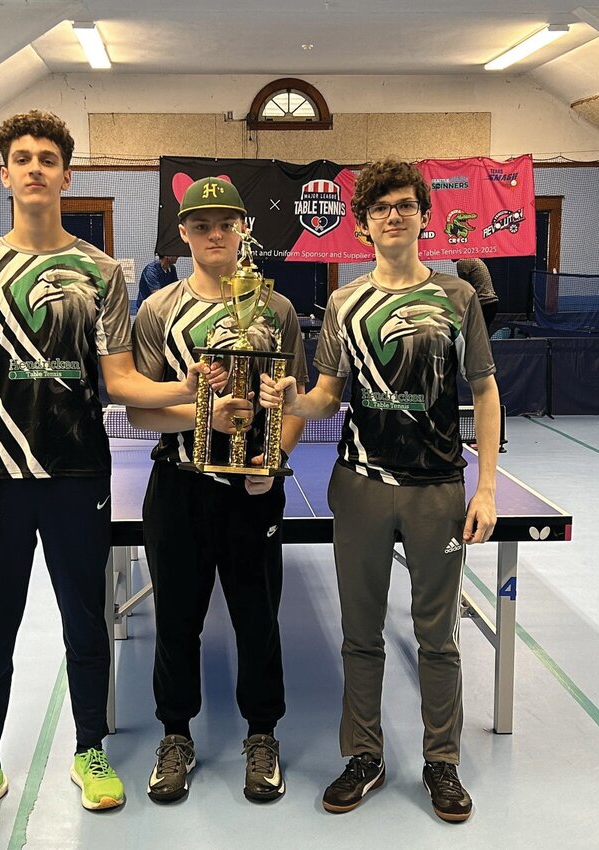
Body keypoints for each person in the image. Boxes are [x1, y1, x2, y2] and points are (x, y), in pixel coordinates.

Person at [0, 110, 219, 829]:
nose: (34, 168)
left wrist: (189, 392)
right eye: (21, 158)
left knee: (84, 626)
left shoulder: (101, 273)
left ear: (66, 176)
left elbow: (121, 382)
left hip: (77, 479)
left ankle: (89, 750)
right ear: (4, 174)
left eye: (47, 159)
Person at [260, 159, 501, 823]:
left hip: (437, 491)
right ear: (363, 225)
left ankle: (441, 762)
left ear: (423, 214)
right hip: (360, 487)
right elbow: (328, 397)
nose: (392, 216)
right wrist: (292, 398)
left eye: (403, 205)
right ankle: (362, 756)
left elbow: (483, 390)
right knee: (360, 635)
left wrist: (485, 489)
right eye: (379, 208)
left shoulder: (456, 298)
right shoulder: (343, 303)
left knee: (437, 637)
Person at [127, 177, 308, 804]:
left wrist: (274, 456)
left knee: (258, 619)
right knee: (176, 620)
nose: (213, 235)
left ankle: (262, 736)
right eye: (200, 225)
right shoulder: (157, 311)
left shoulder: (276, 310)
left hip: (253, 492)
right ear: (183, 234)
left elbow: (295, 405)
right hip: (178, 487)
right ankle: (176, 736)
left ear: (242, 229)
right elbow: (141, 412)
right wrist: (202, 412)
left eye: (224, 224)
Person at [453, 257, 499, 332]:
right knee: (482, 335)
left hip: (483, 303)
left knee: (476, 335)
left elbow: (465, 288)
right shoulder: (473, 259)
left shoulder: (462, 262)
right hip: (491, 302)